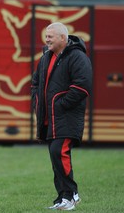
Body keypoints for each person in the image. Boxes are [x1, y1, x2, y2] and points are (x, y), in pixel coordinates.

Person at [31, 22, 92, 210]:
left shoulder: (77, 57)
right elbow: (35, 84)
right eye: (46, 36)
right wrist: (37, 101)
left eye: (50, 36)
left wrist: (60, 105)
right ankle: (62, 198)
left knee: (59, 152)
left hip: (66, 118)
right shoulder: (45, 58)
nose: (46, 39)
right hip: (50, 120)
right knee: (55, 156)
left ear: (63, 38)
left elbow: (82, 86)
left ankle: (71, 195)